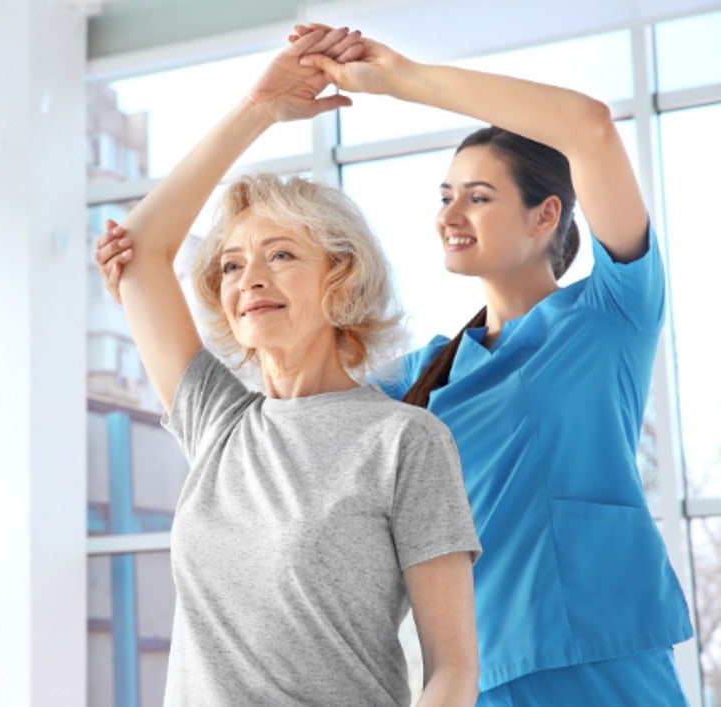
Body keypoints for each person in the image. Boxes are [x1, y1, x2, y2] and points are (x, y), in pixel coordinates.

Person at [97, 25, 694, 706]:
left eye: (478, 195)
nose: (450, 213)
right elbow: (315, 400)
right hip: (485, 677)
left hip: (600, 665)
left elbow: (588, 127)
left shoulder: (609, 319)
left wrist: (399, 79)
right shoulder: (418, 380)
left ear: (545, 214)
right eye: (444, 195)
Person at [100, 25, 482, 707]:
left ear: (341, 276)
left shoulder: (406, 441)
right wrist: (260, 107)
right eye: (232, 264)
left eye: (280, 254)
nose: (250, 277)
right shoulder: (216, 420)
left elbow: (452, 670)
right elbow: (137, 252)